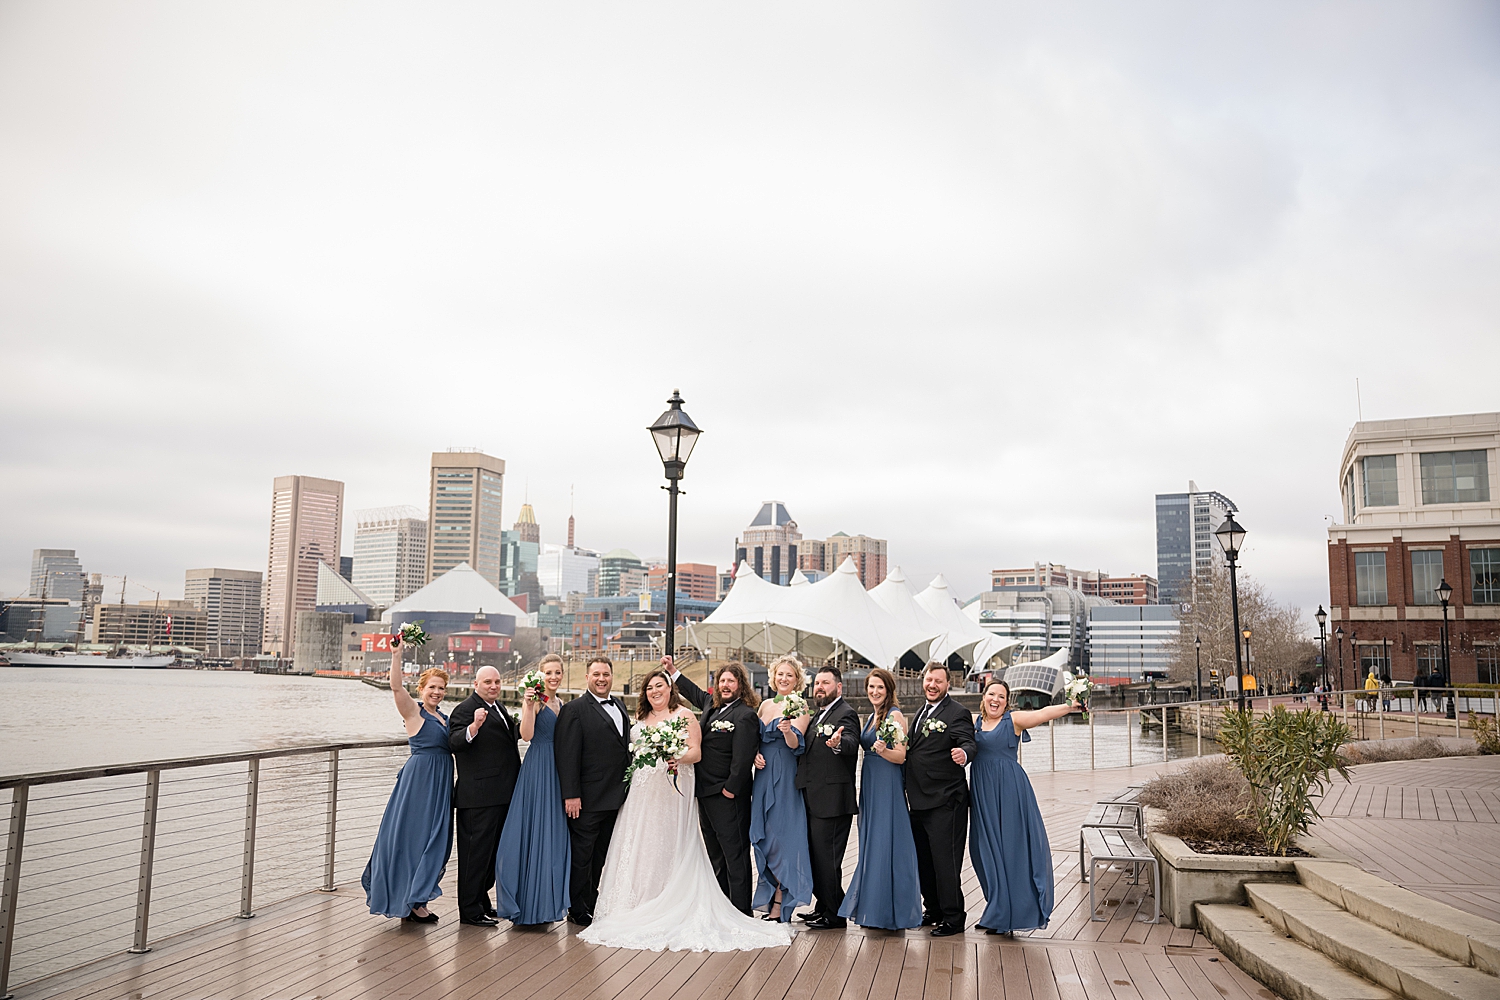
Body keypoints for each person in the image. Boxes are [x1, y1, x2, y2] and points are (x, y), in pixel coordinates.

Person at [578, 669, 793, 951]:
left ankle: (739, 912)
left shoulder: (723, 715)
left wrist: (725, 784)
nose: (655, 691)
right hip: (655, 794)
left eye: (660, 685)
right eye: (650, 687)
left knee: (730, 853)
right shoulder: (699, 710)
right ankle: (663, 901)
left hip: (703, 793)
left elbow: (715, 754)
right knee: (694, 852)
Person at [969, 679, 1076, 936]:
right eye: (991, 694)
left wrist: (1070, 707)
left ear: (1007, 701)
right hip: (982, 793)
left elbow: (1042, 714)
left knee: (1011, 851)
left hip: (1010, 791)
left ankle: (1008, 914)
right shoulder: (974, 723)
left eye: (1001, 696)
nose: (995, 700)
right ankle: (997, 908)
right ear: (984, 697)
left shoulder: (1013, 721)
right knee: (985, 852)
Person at [362, 637, 452, 923]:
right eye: (431, 687)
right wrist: (397, 655)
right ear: (421, 689)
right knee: (413, 839)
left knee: (435, 841)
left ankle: (418, 896)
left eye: (441, 688)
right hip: (419, 784)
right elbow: (396, 687)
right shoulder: (414, 713)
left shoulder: (445, 718)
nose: (436, 692)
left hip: (440, 783)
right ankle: (410, 902)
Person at [666, 656, 761, 914]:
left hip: (727, 795)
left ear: (741, 685)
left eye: (731, 681)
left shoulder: (745, 715)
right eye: (722, 681)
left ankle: (741, 910)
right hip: (704, 793)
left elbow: (743, 760)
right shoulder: (711, 704)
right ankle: (723, 908)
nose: (725, 685)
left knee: (735, 854)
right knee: (715, 854)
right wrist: (673, 671)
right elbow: (694, 692)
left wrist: (730, 788)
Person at [837, 667, 921, 930]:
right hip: (871, 784)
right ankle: (874, 906)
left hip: (887, 784)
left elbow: (900, 756)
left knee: (885, 842)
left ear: (889, 690)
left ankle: (886, 911)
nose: (874, 692)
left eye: (879, 688)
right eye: (871, 687)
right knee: (872, 842)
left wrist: (883, 751)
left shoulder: (895, 715)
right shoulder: (873, 716)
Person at [554, 654, 631, 927]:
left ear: (612, 677)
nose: (601, 679)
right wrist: (571, 794)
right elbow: (567, 756)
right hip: (586, 798)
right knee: (582, 856)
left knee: (601, 855)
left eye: (606, 674)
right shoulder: (574, 710)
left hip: (615, 797)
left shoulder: (620, 706)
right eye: (596, 674)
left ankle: (593, 901)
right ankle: (577, 908)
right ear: (587, 677)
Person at [494, 653, 570, 926]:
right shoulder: (536, 701)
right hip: (538, 767)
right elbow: (526, 735)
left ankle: (546, 904)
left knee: (551, 835)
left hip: (558, 770)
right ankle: (527, 905)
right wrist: (527, 705)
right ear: (540, 674)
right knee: (533, 830)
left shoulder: (562, 702)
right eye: (548, 672)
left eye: (557, 672)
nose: (553, 677)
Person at [904, 661, 977, 937]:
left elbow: (968, 742)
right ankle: (932, 909)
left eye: (938, 681)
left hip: (946, 801)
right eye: (928, 680)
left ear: (948, 684)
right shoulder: (921, 712)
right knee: (924, 860)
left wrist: (965, 755)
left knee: (946, 863)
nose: (932, 685)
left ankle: (953, 919)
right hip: (918, 800)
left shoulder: (957, 713)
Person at [446, 665, 521, 926]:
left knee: (490, 855)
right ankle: (469, 911)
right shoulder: (465, 710)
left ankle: (481, 902)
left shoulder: (499, 708)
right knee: (474, 856)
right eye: (488, 681)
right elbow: (454, 742)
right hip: (478, 797)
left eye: (497, 681)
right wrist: (474, 727)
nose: (494, 686)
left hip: (501, 794)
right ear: (475, 683)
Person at [795, 664, 860, 929]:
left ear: (839, 687)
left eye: (826, 683)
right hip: (812, 798)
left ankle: (835, 916)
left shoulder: (846, 713)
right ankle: (824, 907)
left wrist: (838, 745)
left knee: (828, 860)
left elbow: (852, 742)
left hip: (833, 801)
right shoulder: (817, 715)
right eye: (817, 683)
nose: (820, 687)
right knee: (816, 858)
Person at [749, 655, 814, 922]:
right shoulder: (764, 705)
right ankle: (768, 892)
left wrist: (787, 729)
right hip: (762, 774)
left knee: (782, 838)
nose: (784, 679)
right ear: (773, 677)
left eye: (789, 675)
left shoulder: (801, 706)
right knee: (763, 835)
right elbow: (753, 737)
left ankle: (780, 899)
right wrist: (753, 753)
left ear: (797, 679)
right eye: (780, 674)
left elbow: (794, 744)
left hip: (785, 774)